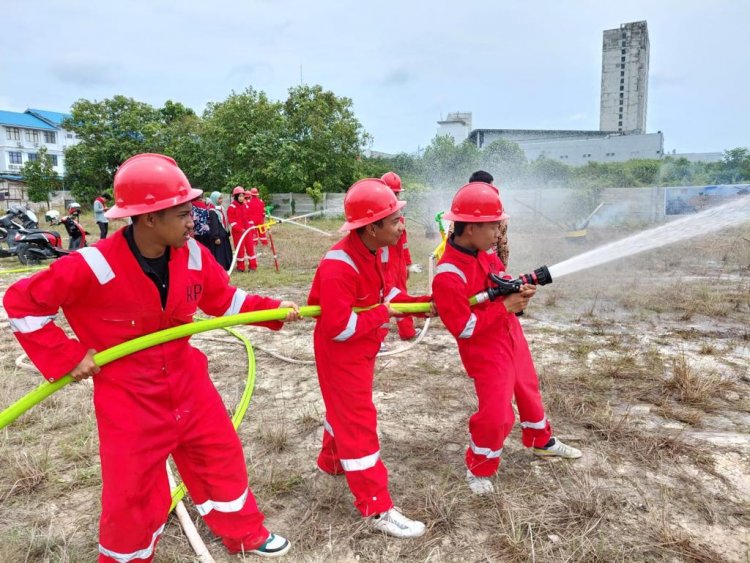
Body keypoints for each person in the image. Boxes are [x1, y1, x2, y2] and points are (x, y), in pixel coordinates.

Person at [3, 153, 300, 560]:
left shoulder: (193, 254)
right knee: (132, 491)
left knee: (220, 458)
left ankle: (245, 532)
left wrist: (274, 311)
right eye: (182, 214)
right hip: (129, 397)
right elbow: (22, 303)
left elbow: (224, 299)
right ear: (148, 218)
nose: (192, 222)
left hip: (188, 381)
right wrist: (68, 355)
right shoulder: (93, 265)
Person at [432, 182, 581, 496]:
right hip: (485, 349)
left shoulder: (482, 254)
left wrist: (518, 290)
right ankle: (479, 466)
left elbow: (499, 280)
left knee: (528, 389)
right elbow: (463, 328)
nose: (499, 232)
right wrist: (506, 308)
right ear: (470, 228)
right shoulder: (448, 274)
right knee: (498, 413)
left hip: (509, 334)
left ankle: (542, 441)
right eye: (494, 226)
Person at [308, 178, 434, 538]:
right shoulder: (339, 266)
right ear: (372, 226)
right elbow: (340, 328)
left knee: (344, 411)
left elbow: (390, 293)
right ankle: (377, 507)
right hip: (342, 352)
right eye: (393, 220)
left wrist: (424, 305)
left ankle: (331, 462)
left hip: (363, 347)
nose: (401, 226)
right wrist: (385, 314)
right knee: (358, 420)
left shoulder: (378, 251)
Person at [380, 172, 421, 340]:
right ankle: (378, 338)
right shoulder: (378, 218)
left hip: (398, 266)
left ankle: (407, 331)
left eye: (397, 194)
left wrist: (408, 265)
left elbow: (403, 244)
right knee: (380, 300)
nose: (396, 197)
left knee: (401, 297)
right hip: (382, 267)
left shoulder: (399, 218)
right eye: (393, 193)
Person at [468, 170, 509, 267]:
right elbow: (502, 243)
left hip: (488, 265)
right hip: (478, 265)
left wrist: (502, 270)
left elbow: (502, 243)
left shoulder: (463, 206)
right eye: (491, 186)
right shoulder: (497, 210)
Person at [227, 186, 257, 272]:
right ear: (236, 197)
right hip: (238, 232)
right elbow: (232, 221)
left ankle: (253, 266)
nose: (241, 198)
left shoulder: (245, 206)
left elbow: (249, 219)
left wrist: (252, 229)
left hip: (248, 231)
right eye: (239, 196)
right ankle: (240, 267)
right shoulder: (232, 207)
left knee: (250, 248)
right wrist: (240, 229)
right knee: (240, 250)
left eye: (242, 196)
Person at [207, 191, 232, 270]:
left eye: (221, 198)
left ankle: (227, 265)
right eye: (219, 198)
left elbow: (225, 221)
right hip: (218, 235)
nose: (221, 200)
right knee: (219, 253)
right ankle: (220, 267)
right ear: (214, 199)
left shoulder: (222, 208)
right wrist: (216, 237)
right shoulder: (212, 211)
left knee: (225, 251)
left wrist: (227, 232)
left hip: (223, 233)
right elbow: (214, 225)